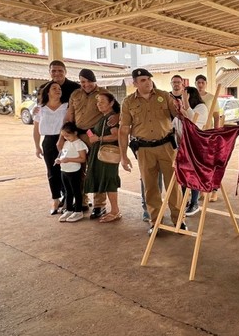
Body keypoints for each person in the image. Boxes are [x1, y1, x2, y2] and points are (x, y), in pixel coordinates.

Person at [119, 68, 184, 235]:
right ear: (134, 83)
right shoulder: (128, 102)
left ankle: (179, 220)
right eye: (142, 80)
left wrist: (183, 107)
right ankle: (156, 222)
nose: (147, 82)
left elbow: (179, 115)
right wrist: (123, 156)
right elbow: (124, 129)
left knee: (173, 185)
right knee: (150, 187)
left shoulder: (164, 95)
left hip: (166, 147)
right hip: (144, 149)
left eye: (148, 79)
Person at [65, 69, 114, 218]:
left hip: (94, 135)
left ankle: (99, 205)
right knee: (78, 170)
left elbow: (115, 110)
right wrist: (64, 137)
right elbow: (70, 115)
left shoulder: (103, 93)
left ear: (94, 80)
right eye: (82, 82)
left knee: (96, 171)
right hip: (77, 135)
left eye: (88, 81)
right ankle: (83, 201)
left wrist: (116, 118)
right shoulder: (75, 94)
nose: (86, 85)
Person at [84, 91, 122, 223]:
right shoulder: (105, 117)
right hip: (102, 154)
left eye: (102, 102)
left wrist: (98, 138)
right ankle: (114, 210)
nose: (99, 104)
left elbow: (116, 135)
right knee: (106, 180)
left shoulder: (111, 118)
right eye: (98, 102)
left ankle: (115, 211)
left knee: (109, 181)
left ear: (111, 103)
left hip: (108, 155)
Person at [33, 81, 68, 215]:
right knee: (52, 171)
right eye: (54, 88)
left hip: (64, 140)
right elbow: (36, 130)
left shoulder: (66, 107)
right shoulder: (40, 109)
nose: (58, 90)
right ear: (48, 92)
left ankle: (67, 197)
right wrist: (37, 147)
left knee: (65, 169)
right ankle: (55, 199)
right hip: (48, 141)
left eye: (59, 88)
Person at [172, 86, 208, 216]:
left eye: (184, 97)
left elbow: (194, 121)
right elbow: (176, 127)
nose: (181, 100)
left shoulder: (201, 108)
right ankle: (185, 200)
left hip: (196, 147)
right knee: (183, 175)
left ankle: (194, 203)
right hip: (183, 147)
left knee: (193, 175)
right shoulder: (182, 111)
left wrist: (185, 104)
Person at [195, 74, 220, 202]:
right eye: (198, 82)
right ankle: (201, 190)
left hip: (209, 134)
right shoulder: (193, 97)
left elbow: (216, 116)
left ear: (205, 83)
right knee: (199, 163)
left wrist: (215, 132)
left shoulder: (211, 98)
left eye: (202, 82)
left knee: (213, 162)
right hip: (197, 135)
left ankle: (214, 190)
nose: (200, 84)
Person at [57, 122, 88, 223]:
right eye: (64, 136)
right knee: (67, 191)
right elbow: (63, 154)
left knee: (76, 192)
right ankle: (69, 209)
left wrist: (69, 159)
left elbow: (83, 159)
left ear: (75, 133)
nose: (66, 138)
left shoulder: (79, 144)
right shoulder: (66, 142)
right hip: (64, 170)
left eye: (68, 135)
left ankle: (78, 211)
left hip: (74, 171)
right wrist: (59, 159)